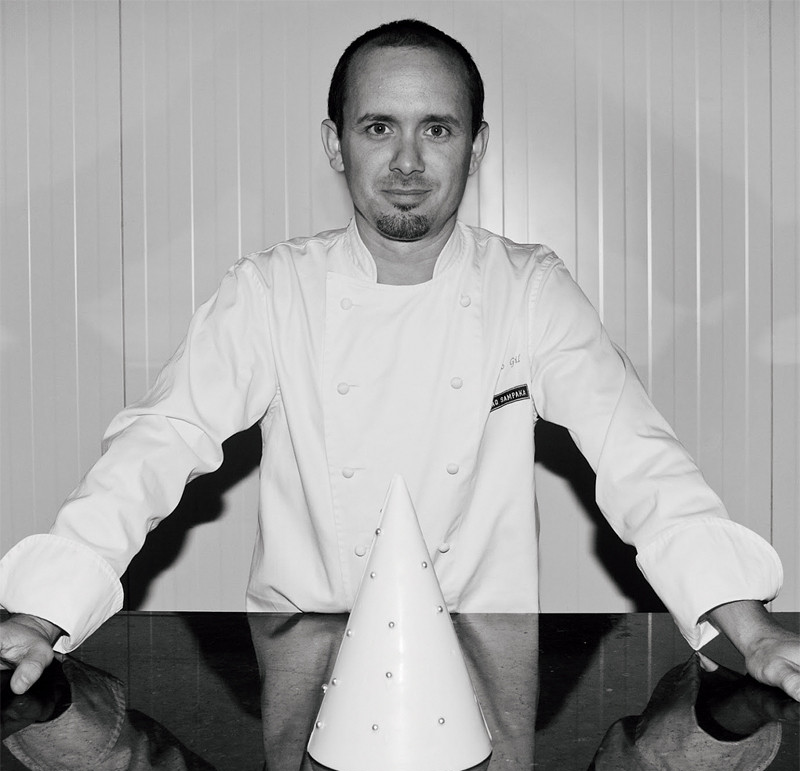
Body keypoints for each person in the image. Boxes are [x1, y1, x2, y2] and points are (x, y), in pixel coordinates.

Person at [1, 19, 798, 701]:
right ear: (335, 143)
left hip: (485, 658)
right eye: (379, 127)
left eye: (437, 129)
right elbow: (157, 443)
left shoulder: (529, 290)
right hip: (305, 658)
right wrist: (41, 614)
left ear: (477, 147)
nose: (408, 161)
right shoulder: (271, 291)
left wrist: (750, 629)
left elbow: (638, 456)